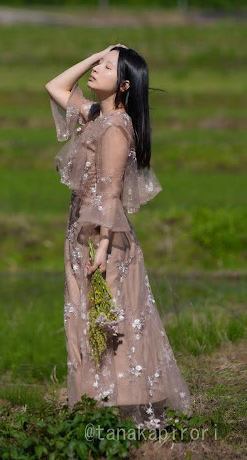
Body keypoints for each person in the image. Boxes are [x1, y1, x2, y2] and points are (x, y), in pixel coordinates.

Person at [46, 44, 192, 429]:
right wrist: (100, 53)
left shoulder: (115, 128)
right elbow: (55, 86)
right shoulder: (96, 116)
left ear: (124, 85)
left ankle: (116, 410)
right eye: (98, 64)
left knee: (106, 323)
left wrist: (102, 247)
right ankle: (97, 406)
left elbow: (110, 193)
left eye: (106, 67)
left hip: (103, 238)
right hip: (83, 233)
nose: (96, 70)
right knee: (85, 319)